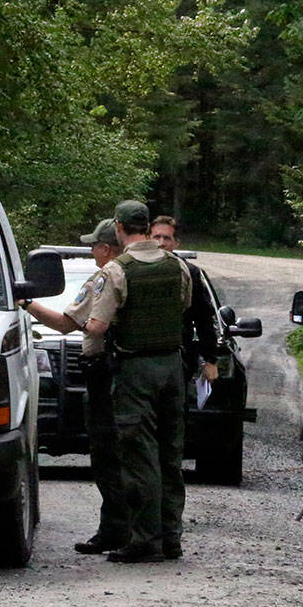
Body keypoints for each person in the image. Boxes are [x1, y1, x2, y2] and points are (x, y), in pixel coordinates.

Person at [86, 200, 191, 563]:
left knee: (139, 455)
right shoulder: (178, 266)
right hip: (172, 366)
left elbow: (97, 325)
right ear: (147, 226)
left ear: (118, 227)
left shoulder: (117, 270)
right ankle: (171, 536)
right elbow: (183, 306)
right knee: (170, 453)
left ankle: (145, 539)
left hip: (135, 369)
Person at [21, 218, 128, 554]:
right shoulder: (143, 273)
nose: (92, 250)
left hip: (105, 374)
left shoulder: (105, 277)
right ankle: (145, 531)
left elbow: (66, 324)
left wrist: (26, 303)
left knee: (107, 455)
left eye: (94, 245)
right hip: (137, 376)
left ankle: (115, 530)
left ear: (106, 248)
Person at [149, 216, 220, 384]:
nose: (161, 243)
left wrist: (210, 359)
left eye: (167, 238)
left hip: (177, 357)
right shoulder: (132, 269)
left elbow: (203, 318)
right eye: (156, 237)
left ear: (176, 243)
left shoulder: (188, 273)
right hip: (140, 357)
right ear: (147, 239)